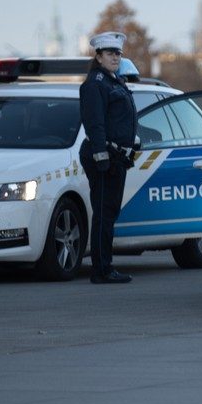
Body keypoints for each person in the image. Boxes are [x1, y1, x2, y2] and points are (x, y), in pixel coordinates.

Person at [80, 31, 138, 284]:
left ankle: (105, 265)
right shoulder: (95, 84)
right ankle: (101, 270)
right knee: (104, 213)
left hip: (116, 156)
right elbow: (95, 124)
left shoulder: (115, 81)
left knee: (109, 212)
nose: (115, 57)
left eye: (118, 53)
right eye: (110, 53)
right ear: (99, 56)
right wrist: (101, 155)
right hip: (103, 157)